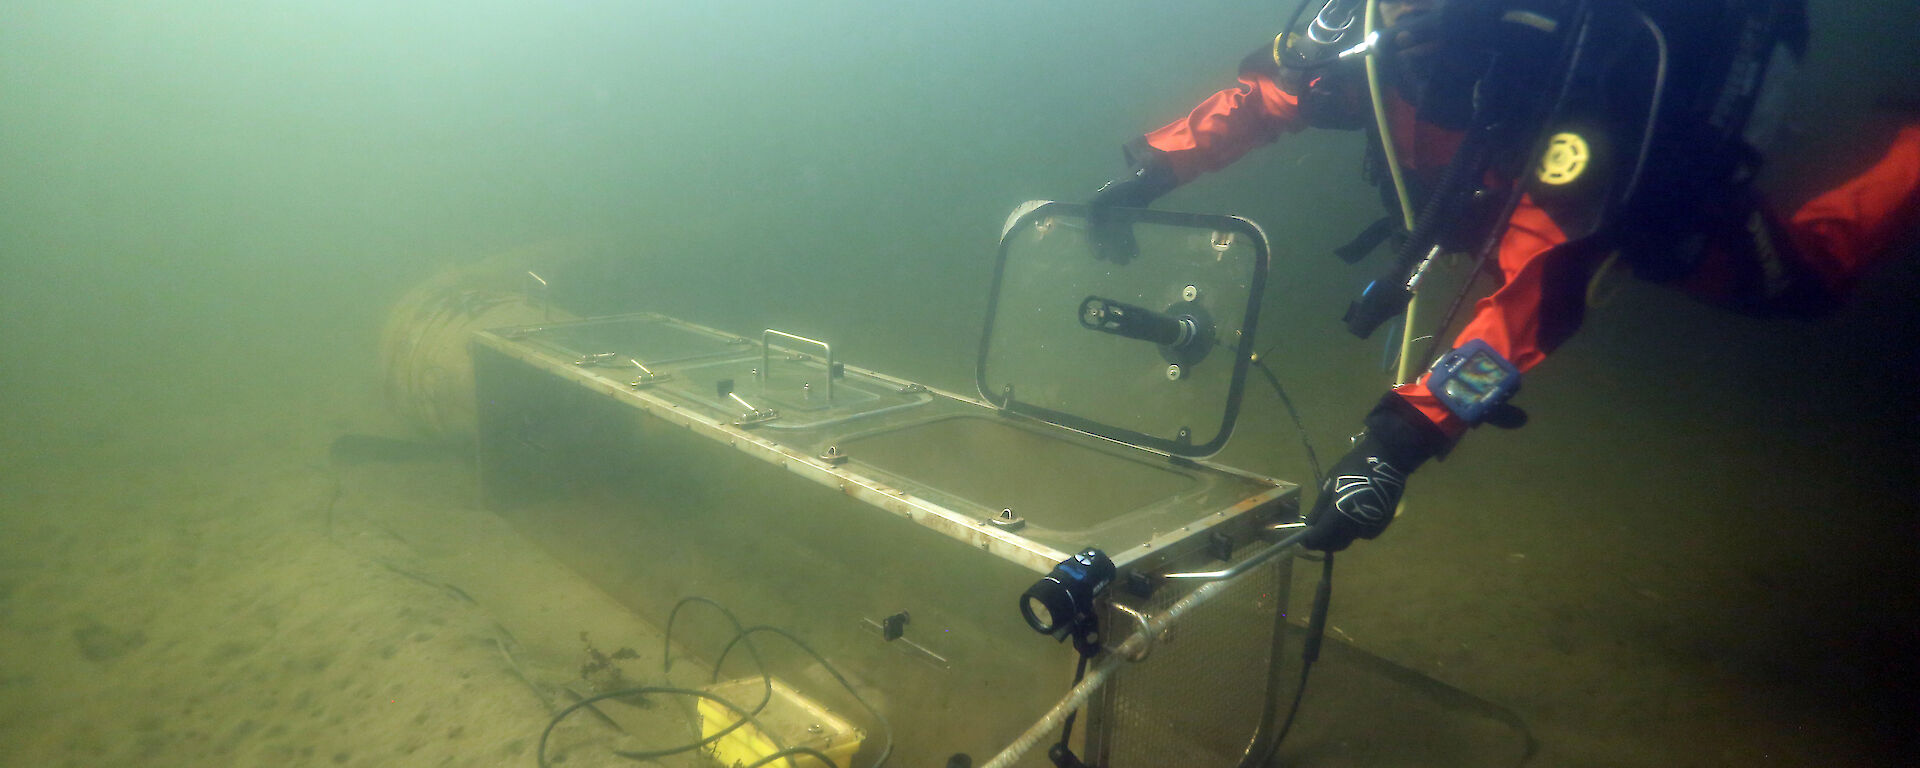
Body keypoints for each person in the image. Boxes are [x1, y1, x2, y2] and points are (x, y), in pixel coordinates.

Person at [1086, 0, 1920, 552]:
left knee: (1805, 279)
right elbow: (1274, 94)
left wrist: (1400, 442)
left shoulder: (1588, 78)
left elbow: (1539, 290)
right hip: (1482, 188)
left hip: (1626, 196)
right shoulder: (1384, 39)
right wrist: (1152, 171)